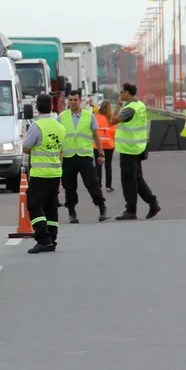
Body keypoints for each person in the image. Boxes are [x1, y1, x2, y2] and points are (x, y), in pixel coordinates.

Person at [20, 93, 66, 253]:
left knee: (34, 205)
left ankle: (43, 239)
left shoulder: (36, 126)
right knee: (51, 207)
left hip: (40, 173)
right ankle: (52, 239)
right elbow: (61, 150)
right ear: (51, 107)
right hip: (55, 172)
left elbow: (26, 147)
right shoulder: (60, 127)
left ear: (37, 107)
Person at [109, 82, 160, 221]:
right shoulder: (140, 105)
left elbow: (112, 120)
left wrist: (118, 105)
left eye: (121, 92)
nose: (120, 95)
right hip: (138, 146)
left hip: (129, 148)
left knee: (129, 180)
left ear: (127, 93)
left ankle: (131, 210)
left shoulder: (129, 109)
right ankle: (152, 203)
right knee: (137, 178)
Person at [58, 90, 108, 223]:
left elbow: (95, 135)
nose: (73, 102)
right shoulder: (62, 117)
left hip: (84, 155)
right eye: (71, 99)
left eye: (75, 99)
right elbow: (58, 138)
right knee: (69, 186)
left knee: (92, 183)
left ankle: (102, 208)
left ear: (80, 100)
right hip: (68, 157)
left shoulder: (89, 115)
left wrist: (101, 153)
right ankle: (72, 212)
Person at [94, 99, 116, 192]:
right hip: (109, 144)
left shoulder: (96, 117)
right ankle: (108, 186)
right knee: (108, 165)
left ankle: (98, 185)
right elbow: (114, 131)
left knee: (98, 165)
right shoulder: (111, 118)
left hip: (98, 145)